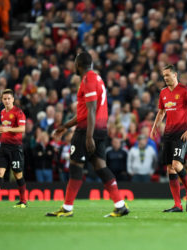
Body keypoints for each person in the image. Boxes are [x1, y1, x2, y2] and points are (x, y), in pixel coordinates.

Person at [46, 52, 129, 217]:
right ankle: (120, 205)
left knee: (75, 166)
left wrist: (89, 136)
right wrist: (65, 126)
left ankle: (67, 208)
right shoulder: (97, 78)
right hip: (99, 129)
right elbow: (85, 112)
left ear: (78, 65)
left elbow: (91, 110)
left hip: (86, 131)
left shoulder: (88, 80)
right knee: (100, 167)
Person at [150, 64, 187, 212]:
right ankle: (177, 205)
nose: (165, 78)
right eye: (163, 76)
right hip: (168, 133)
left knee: (176, 164)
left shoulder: (185, 90)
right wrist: (155, 126)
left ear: (175, 75)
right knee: (170, 168)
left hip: (181, 133)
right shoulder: (163, 93)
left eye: (167, 75)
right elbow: (161, 112)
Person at [0, 89, 27, 208]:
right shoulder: (2, 112)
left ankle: (23, 201)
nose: (7, 101)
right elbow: (5, 129)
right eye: (5, 99)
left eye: (9, 98)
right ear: (2, 100)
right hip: (4, 147)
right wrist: (0, 132)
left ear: (13, 99)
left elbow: (22, 129)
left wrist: (8, 129)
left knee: (18, 174)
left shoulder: (19, 112)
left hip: (15, 148)